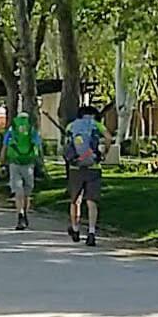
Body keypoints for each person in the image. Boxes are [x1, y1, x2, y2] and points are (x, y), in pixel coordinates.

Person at [62, 103, 107, 246]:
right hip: (94, 166)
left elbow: (66, 145)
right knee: (91, 201)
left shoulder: (71, 126)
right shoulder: (96, 125)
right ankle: (92, 232)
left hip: (76, 168)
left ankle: (75, 228)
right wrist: (102, 153)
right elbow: (109, 138)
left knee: (75, 200)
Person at [1, 113, 42, 231]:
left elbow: (5, 145)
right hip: (29, 163)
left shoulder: (12, 129)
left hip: (14, 162)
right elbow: (37, 145)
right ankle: (25, 214)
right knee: (27, 193)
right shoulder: (31, 128)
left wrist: (2, 162)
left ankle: (20, 214)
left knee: (17, 191)